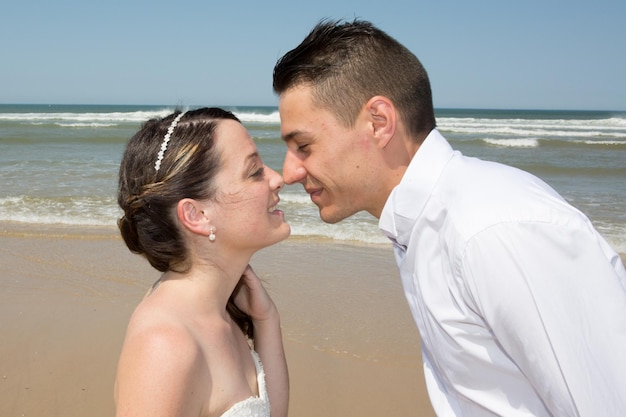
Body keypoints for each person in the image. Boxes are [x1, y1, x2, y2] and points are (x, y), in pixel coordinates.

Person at [273, 19, 626, 416]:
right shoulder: (422, 226)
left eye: (304, 145)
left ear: (379, 123)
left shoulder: (492, 230)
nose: (290, 173)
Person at [114, 107, 290, 417]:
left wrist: (267, 321)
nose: (278, 179)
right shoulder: (166, 348)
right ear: (197, 215)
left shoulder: (218, 310)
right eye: (254, 171)